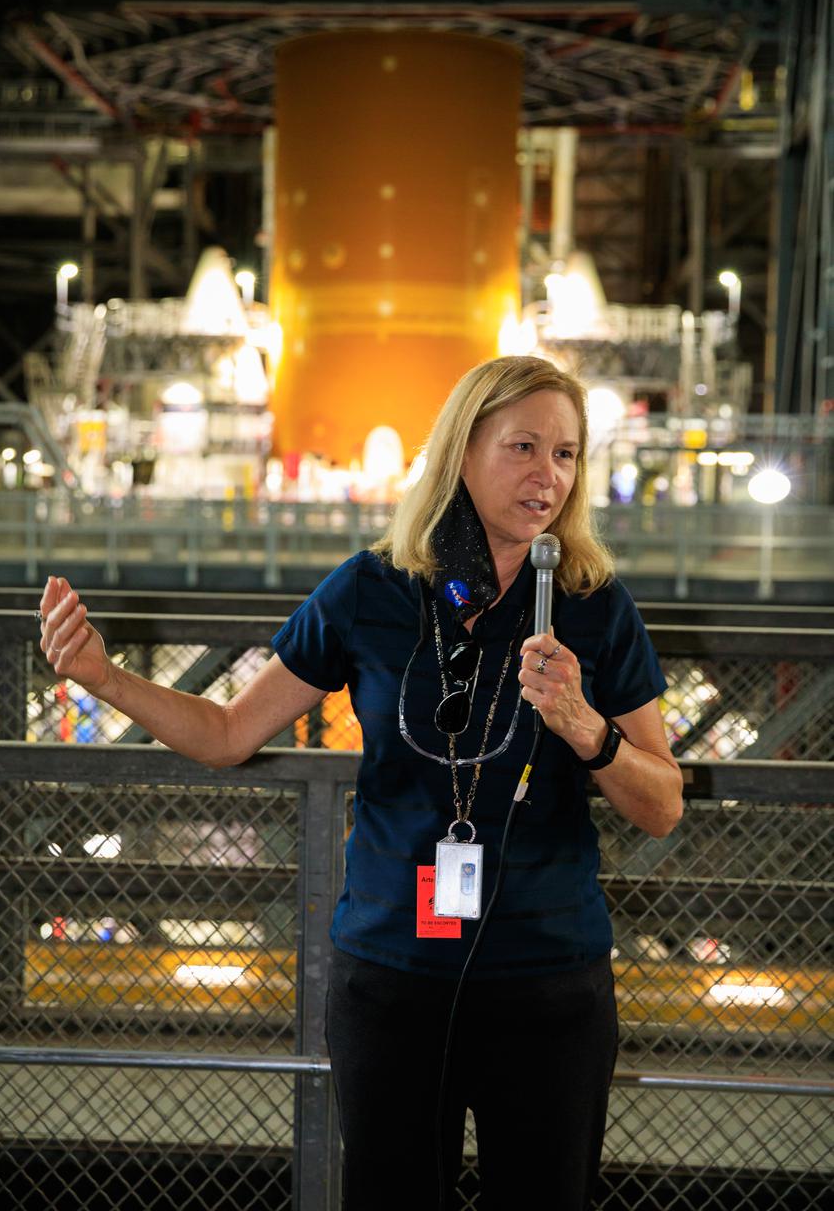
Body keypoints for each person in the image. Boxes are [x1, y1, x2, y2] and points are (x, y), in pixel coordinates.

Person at [38, 355, 683, 1210]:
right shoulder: (369, 590)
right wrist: (105, 677)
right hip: (392, 977)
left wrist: (585, 727)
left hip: (548, 982)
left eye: (566, 455)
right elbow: (230, 733)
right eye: (523, 447)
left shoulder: (594, 603)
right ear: (460, 450)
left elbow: (662, 806)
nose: (547, 477)